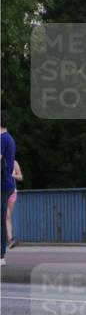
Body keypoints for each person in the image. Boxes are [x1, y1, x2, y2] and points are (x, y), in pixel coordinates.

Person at [1, 111, 15, 266]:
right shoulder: (9, 138)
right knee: (1, 220)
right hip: (7, 184)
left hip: (1, 184)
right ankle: (1, 256)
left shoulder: (1, 140)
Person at [5, 159, 22, 249]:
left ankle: (10, 240)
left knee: (7, 217)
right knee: (6, 216)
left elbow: (20, 177)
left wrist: (12, 175)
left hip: (12, 192)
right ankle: (10, 239)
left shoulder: (14, 162)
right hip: (2, 192)